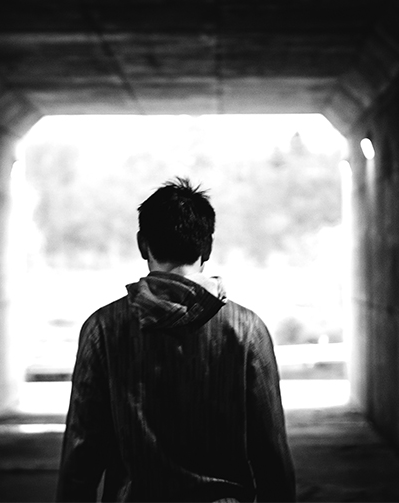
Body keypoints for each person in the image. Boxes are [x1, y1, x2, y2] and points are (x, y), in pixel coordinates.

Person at [56, 177, 296, 502]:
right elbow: (271, 456)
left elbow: (82, 451)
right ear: (207, 247)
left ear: (143, 245)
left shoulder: (103, 328)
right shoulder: (247, 330)